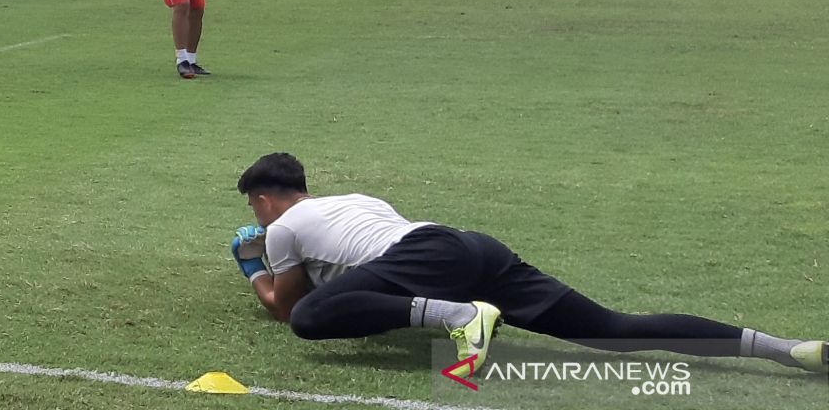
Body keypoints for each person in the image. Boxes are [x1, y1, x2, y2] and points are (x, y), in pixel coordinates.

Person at [231, 153, 827, 379]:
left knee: (311, 319)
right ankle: (786, 349)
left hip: (424, 263)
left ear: (263, 199)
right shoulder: (355, 200)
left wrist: (251, 266)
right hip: (466, 247)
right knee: (616, 330)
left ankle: (463, 319)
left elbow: (286, 309)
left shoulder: (280, 228)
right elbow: (368, 279)